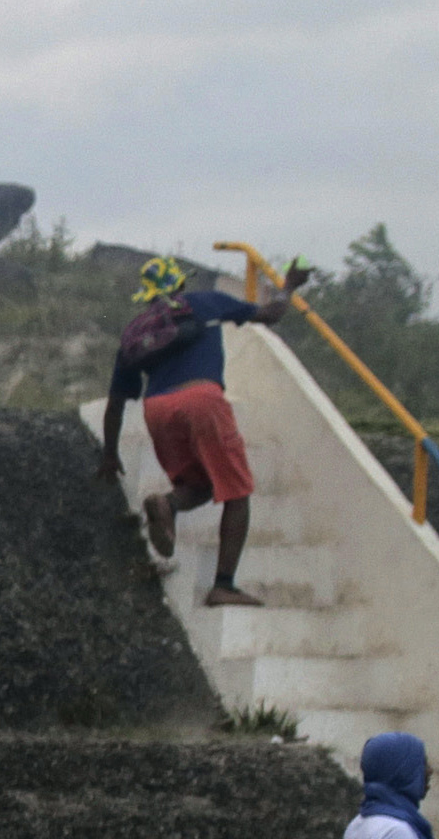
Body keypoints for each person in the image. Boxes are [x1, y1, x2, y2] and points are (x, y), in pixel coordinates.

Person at [98, 254, 307, 607]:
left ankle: (168, 504)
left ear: (146, 295)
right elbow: (271, 314)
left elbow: (117, 401)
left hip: (157, 409)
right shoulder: (204, 302)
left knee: (200, 485)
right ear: (179, 283)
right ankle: (223, 585)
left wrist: (109, 452)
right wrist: (289, 286)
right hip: (202, 400)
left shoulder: (137, 332)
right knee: (237, 491)